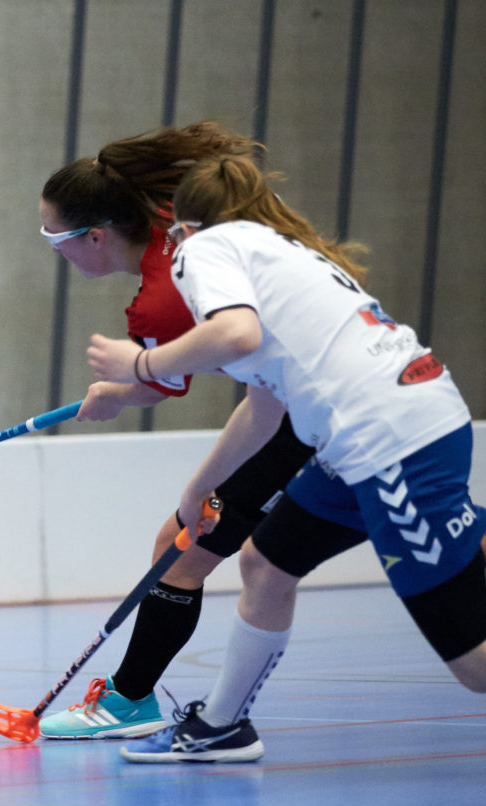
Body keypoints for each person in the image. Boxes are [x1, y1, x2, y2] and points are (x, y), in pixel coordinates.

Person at [83, 155, 486, 762]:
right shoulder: (279, 252)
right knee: (266, 563)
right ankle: (221, 726)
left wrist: (138, 364)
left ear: (184, 227)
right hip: (375, 433)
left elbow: (235, 335)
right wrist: (198, 491)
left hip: (390, 444)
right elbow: (264, 409)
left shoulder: (204, 248)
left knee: (474, 667)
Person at [34, 123, 315, 740]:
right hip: (293, 403)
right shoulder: (170, 221)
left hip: (320, 413)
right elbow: (252, 393)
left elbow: (171, 378)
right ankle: (152, 704)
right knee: (205, 552)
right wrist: (122, 393)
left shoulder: (162, 300)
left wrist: (127, 380)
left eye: (53, 237)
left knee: (204, 555)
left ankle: (142, 704)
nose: (53, 250)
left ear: (96, 236)